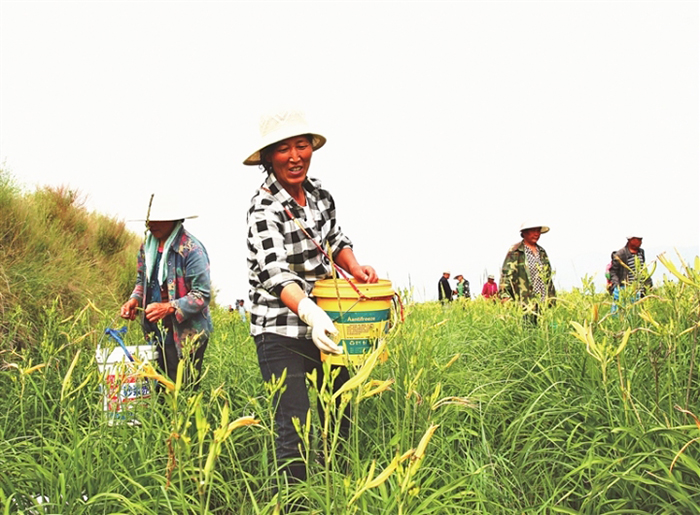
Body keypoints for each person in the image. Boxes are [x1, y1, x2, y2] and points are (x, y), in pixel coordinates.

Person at [244, 108, 377, 490]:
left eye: (302, 146)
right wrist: (308, 311)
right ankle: (297, 502)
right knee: (295, 427)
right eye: (283, 149)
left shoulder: (320, 194)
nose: (295, 156)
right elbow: (274, 271)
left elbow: (334, 240)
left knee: (340, 412)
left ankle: (339, 492)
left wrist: (355, 267)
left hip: (328, 323)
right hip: (281, 329)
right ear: (269, 157)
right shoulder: (264, 206)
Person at [120, 198, 212, 388]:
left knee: (184, 392)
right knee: (160, 391)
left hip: (186, 337)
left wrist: (169, 307)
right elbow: (142, 282)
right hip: (156, 334)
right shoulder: (146, 248)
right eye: (149, 220)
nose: (151, 224)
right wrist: (134, 300)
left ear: (174, 220)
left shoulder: (192, 250)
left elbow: (201, 295)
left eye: (158, 219)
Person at [499, 221, 556, 322]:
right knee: (526, 330)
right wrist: (505, 297)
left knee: (544, 332)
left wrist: (552, 299)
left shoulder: (541, 252)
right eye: (533, 231)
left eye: (538, 231)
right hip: (524, 302)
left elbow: (548, 277)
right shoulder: (516, 251)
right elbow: (506, 276)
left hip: (543, 302)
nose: (536, 234)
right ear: (524, 233)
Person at [609, 234, 652, 310]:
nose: (640, 242)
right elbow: (613, 272)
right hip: (627, 291)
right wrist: (617, 287)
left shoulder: (641, 253)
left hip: (640, 291)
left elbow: (643, 270)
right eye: (638, 239)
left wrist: (649, 284)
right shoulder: (620, 254)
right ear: (630, 240)